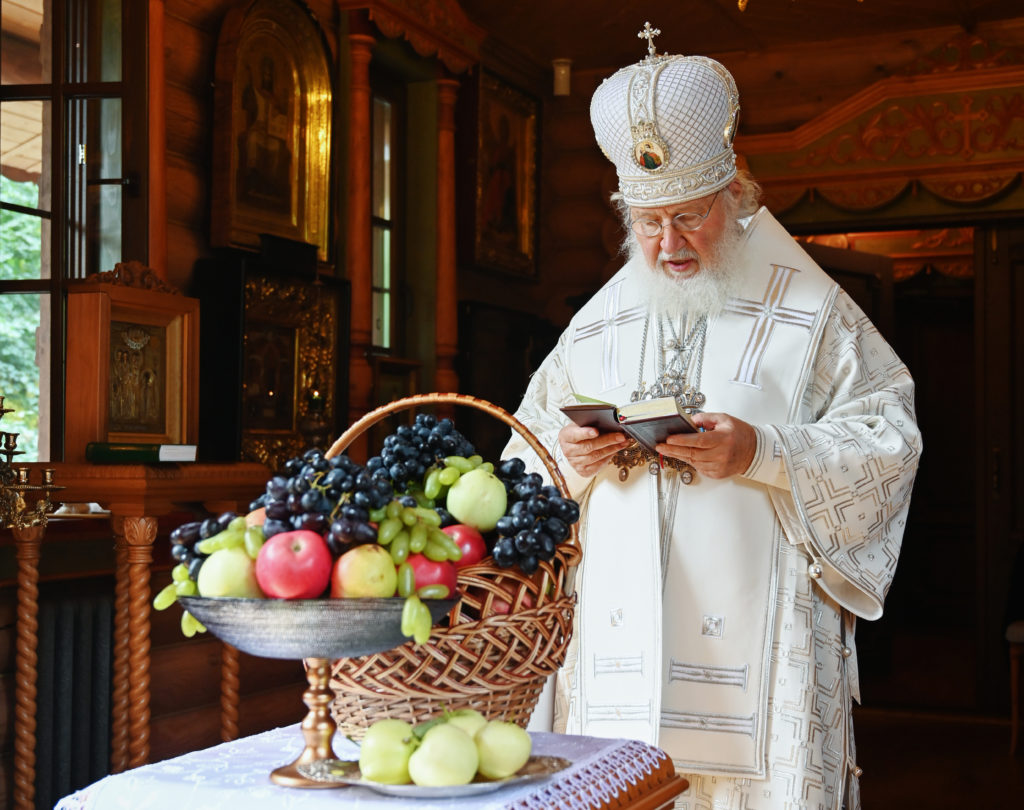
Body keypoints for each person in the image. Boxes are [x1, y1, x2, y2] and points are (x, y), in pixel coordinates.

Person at [504, 24, 922, 810]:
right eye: (648, 222)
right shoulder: (594, 328)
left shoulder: (814, 312)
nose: (668, 243)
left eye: (689, 216)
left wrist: (762, 453)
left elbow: (890, 438)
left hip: (763, 670)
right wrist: (569, 461)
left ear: (736, 195)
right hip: (615, 662)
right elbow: (517, 463)